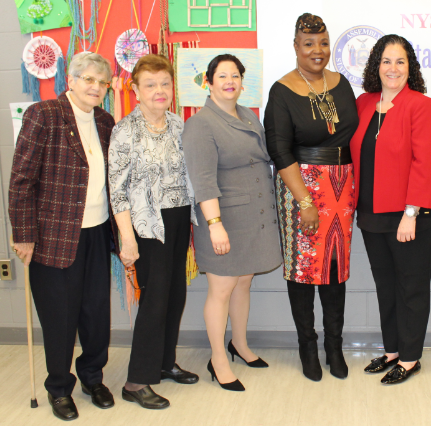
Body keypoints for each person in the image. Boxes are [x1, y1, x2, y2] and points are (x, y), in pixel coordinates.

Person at [9, 52, 116, 421]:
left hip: (98, 232)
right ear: (70, 80)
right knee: (59, 317)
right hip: (53, 236)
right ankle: (58, 387)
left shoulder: (105, 121)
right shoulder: (44, 115)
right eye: (88, 79)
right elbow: (21, 179)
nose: (95, 87)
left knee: (95, 313)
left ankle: (92, 377)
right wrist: (23, 235)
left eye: (102, 82)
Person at [264, 13, 358, 382]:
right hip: (301, 187)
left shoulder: (341, 84)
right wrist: (304, 201)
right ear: (295, 47)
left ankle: (334, 345)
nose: (317, 51)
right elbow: (280, 150)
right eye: (309, 44)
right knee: (303, 270)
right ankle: (307, 345)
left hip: (342, 187)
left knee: (336, 268)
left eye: (322, 43)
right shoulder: (282, 90)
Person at [183, 54, 282, 391]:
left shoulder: (248, 115)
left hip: (254, 218)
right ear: (208, 83)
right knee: (221, 289)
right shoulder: (201, 124)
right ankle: (218, 359)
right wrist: (214, 224)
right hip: (225, 219)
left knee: (244, 282)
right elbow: (203, 180)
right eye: (222, 76)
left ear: (242, 82)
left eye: (235, 75)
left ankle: (239, 345)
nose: (230, 81)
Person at [351, 34, 431, 385]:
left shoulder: (421, 105)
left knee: (411, 287)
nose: (393, 68)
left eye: (400, 61)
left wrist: (411, 212)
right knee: (385, 285)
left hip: (411, 216)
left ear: (410, 68)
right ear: (376, 65)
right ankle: (392, 351)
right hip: (372, 213)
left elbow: (426, 162)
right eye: (386, 61)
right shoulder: (363, 103)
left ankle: (410, 358)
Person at [109, 54, 198, 409]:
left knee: (175, 295)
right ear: (136, 90)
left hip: (178, 220)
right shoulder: (125, 130)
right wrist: (127, 238)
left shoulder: (178, 124)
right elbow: (116, 189)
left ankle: (164, 362)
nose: (159, 90)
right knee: (154, 300)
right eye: (151, 84)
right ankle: (136, 381)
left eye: (165, 83)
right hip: (146, 226)